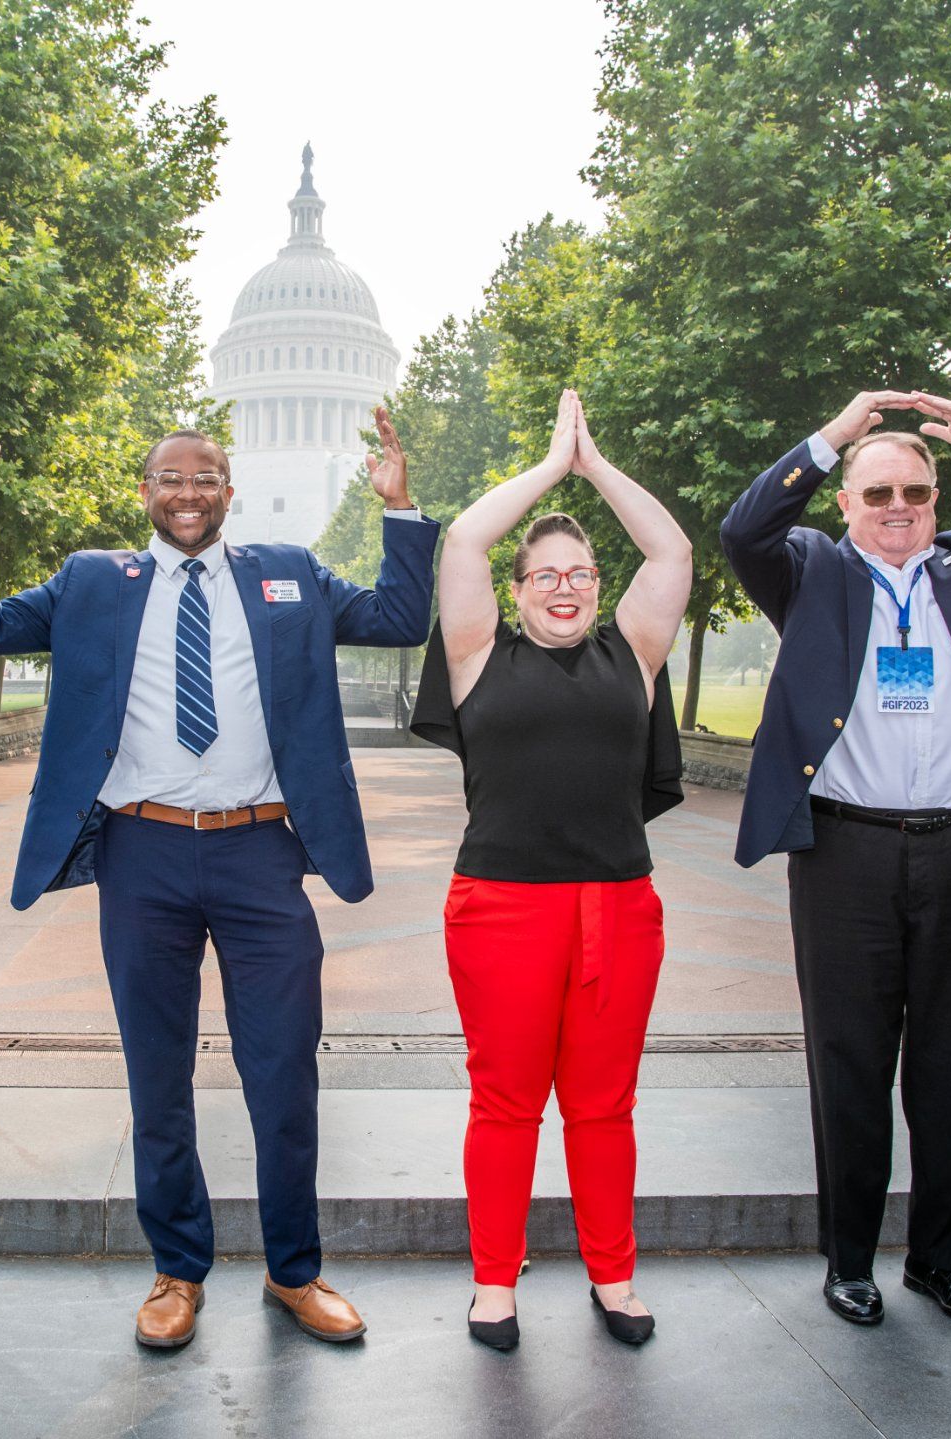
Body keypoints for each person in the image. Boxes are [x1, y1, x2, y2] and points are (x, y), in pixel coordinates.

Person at [0, 399, 437, 1349]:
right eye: (172, 478)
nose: (189, 493)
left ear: (228, 491)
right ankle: (177, 1270)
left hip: (261, 853)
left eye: (205, 477)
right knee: (157, 1076)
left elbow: (400, 615)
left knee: (284, 1071)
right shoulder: (93, 581)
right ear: (147, 492)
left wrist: (399, 510)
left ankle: (296, 1270)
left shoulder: (287, 573)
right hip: (144, 853)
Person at [718, 389, 951, 1328]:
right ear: (846, 501)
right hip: (845, 851)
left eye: (916, 492)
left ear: (937, 496)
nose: (899, 507)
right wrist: (836, 434)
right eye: (878, 490)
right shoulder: (811, 567)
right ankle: (850, 1259)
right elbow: (744, 528)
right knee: (849, 1062)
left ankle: (946, 1258)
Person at [411, 390, 692, 1351]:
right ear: (519, 586)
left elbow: (672, 555)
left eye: (579, 573)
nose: (564, 588)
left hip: (619, 905)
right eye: (545, 574)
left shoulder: (634, 653)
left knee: (605, 1106)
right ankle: (496, 1282)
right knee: (506, 1102)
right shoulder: (476, 652)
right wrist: (548, 467)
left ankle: (614, 1277)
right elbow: (460, 544)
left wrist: (596, 465)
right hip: (501, 907)